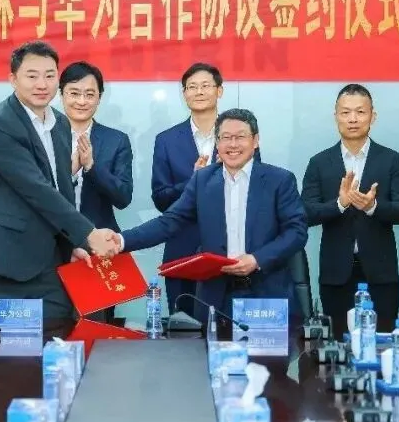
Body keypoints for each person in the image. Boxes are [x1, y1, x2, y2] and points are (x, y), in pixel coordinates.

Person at [0, 41, 119, 320]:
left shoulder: (60, 123)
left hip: (47, 260)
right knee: (3, 344)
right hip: (0, 261)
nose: (42, 84)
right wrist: (89, 235)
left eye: (49, 75)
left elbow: (61, 188)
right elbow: (36, 189)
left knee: (57, 336)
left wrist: (73, 244)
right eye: (32, 76)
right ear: (13, 79)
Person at [115, 109, 307, 320]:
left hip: (265, 294)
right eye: (225, 137)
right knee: (209, 343)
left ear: (255, 141)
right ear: (217, 142)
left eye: (240, 137)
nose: (233, 144)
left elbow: (296, 231)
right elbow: (169, 222)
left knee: (266, 344)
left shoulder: (279, 180)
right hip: (215, 295)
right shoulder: (202, 180)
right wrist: (121, 241)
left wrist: (256, 259)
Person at [301, 84, 399, 331]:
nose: (353, 119)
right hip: (335, 273)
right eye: (346, 112)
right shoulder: (319, 162)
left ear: (373, 116)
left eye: (360, 112)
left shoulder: (391, 159)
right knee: (337, 343)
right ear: (336, 117)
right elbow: (306, 213)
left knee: (382, 340)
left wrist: (373, 206)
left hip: (381, 273)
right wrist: (340, 204)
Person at [59, 61, 133, 322]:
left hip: (99, 249)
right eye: (74, 93)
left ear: (99, 98)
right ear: (61, 94)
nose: (81, 101)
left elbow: (123, 197)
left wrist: (91, 167)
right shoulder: (44, 136)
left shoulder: (116, 140)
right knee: (53, 326)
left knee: (98, 327)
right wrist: (70, 171)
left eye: (89, 94)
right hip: (52, 246)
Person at [151, 62, 225, 317]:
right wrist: (193, 181)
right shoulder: (166, 140)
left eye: (206, 85)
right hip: (181, 247)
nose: (199, 92)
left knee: (224, 326)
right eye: (192, 87)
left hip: (227, 247)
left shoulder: (237, 135)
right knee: (182, 327)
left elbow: (253, 191)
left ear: (219, 91)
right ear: (184, 94)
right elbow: (161, 198)